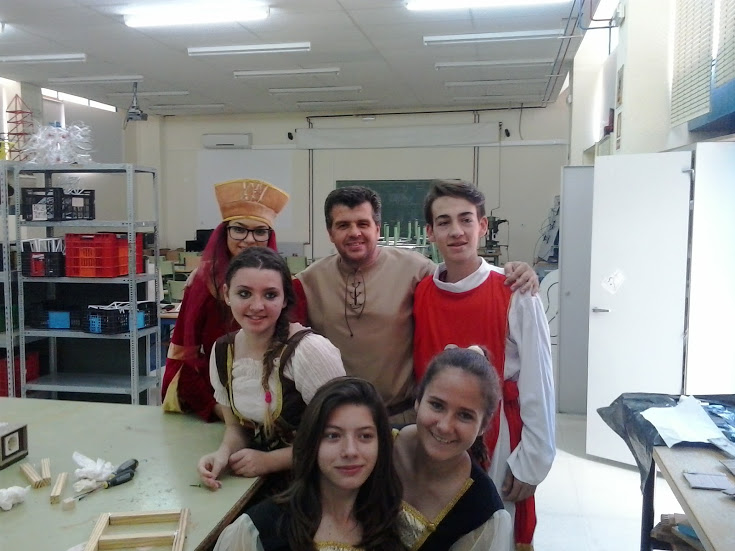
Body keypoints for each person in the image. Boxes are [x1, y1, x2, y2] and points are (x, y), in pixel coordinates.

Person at [293, 186, 539, 422]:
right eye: (343, 225)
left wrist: (513, 271)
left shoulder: (416, 269)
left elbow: (462, 281)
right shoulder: (308, 282)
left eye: (363, 224)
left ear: (377, 229)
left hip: (403, 417)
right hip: (337, 418)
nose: (354, 232)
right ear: (330, 233)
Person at [413, 179, 555, 550]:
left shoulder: (514, 291)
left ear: (483, 226)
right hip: (436, 437)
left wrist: (532, 463)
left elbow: (539, 381)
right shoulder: (423, 292)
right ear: (430, 232)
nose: (456, 231)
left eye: (465, 219)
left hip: (498, 440)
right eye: (444, 222)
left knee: (491, 533)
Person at [197, 247, 345, 484]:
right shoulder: (223, 351)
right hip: (259, 479)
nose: (257, 306)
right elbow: (236, 428)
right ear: (226, 294)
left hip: (317, 480)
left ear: (285, 299)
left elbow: (342, 436)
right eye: (244, 293)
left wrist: (270, 461)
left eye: (270, 295)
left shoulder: (309, 351)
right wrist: (223, 455)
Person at [212, 377, 405, 551]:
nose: (350, 451)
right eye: (333, 436)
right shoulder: (259, 530)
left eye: (365, 436)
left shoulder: (391, 523)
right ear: (312, 442)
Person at [162, 178, 289, 422]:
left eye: (260, 231)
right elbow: (186, 356)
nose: (249, 239)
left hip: (271, 408)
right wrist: (221, 411)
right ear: (224, 232)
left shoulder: (284, 287)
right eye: (239, 229)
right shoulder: (203, 284)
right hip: (213, 403)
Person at [394, 346, 512, 551]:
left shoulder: (482, 510)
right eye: (437, 405)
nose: (445, 426)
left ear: (483, 426)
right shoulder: (375, 448)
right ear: (418, 400)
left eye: (465, 416)